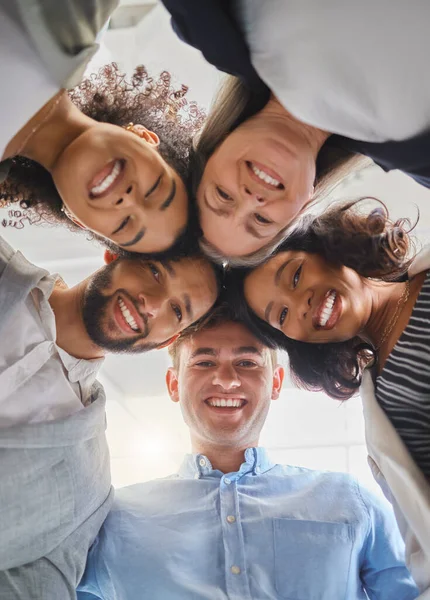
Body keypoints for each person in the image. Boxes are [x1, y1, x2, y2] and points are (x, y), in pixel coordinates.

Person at [77, 305, 418, 599]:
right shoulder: (113, 520)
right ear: (173, 384)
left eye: (247, 362)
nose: (226, 380)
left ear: (276, 382)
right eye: (204, 362)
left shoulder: (348, 499)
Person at [0, 233, 219, 599]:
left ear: (169, 340)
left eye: (177, 311)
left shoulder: (89, 490)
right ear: (114, 253)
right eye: (154, 271)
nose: (152, 304)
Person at [238, 199, 430, 593]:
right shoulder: (382, 416)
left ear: (327, 249)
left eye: (294, 277)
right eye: (282, 316)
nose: (301, 304)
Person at [161, 1, 430, 264]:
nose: (252, 199)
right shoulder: (417, 154)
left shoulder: (209, 26)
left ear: (215, 147)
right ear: (302, 207)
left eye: (223, 195)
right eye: (262, 220)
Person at [0, 0, 205, 255]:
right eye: (155, 189)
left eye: (123, 225)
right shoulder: (80, 13)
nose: (128, 200)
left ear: (77, 220)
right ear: (142, 135)